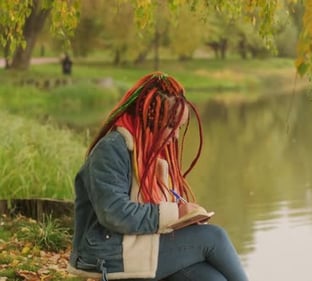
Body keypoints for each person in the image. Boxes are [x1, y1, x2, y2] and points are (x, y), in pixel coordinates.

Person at [68, 72, 248, 281]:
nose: (176, 136)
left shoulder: (150, 154)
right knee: (213, 238)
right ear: (149, 120)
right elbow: (114, 213)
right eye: (170, 127)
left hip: (138, 244)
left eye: (179, 128)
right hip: (106, 253)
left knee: (212, 278)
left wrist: (185, 220)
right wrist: (176, 213)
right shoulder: (110, 150)